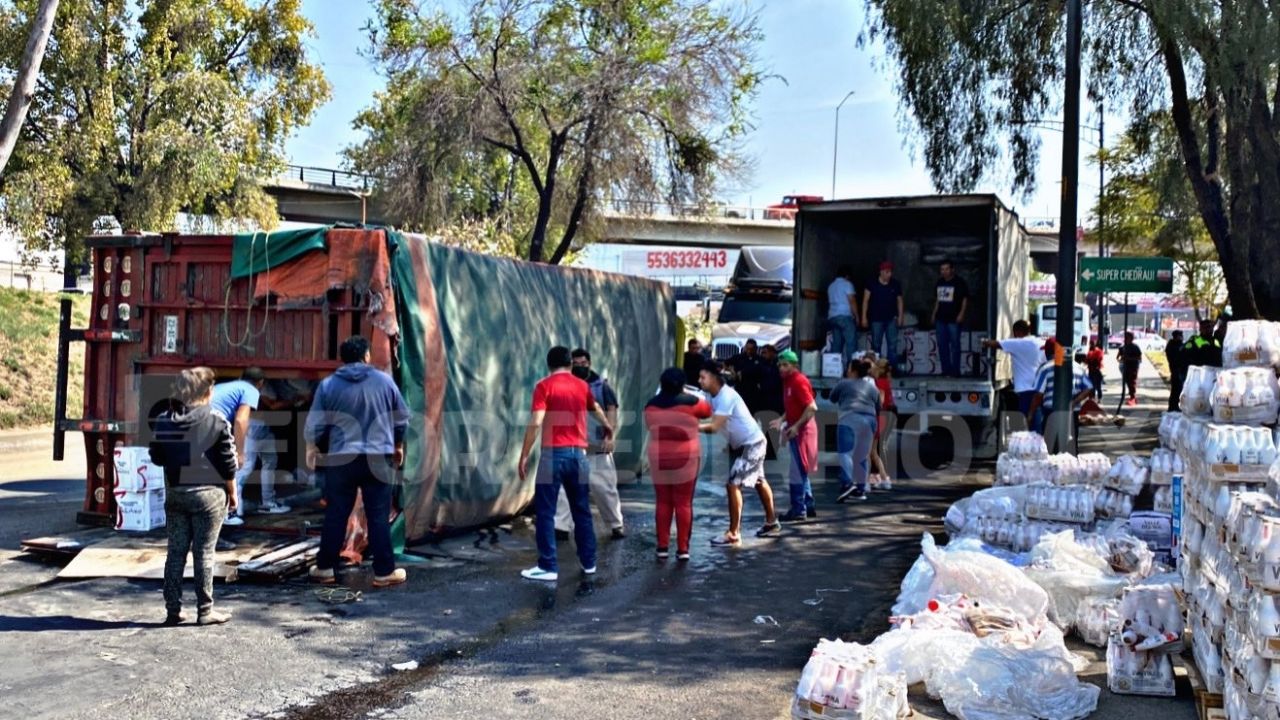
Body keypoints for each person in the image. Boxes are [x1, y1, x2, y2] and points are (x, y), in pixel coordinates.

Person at [305, 336, 410, 589]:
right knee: (377, 515)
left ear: (343, 359)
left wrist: (311, 447)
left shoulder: (328, 385)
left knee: (336, 514)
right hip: (378, 457)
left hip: (341, 459)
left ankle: (325, 568)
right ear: (366, 356)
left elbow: (315, 423)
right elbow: (401, 419)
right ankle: (384, 573)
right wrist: (397, 445)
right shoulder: (385, 381)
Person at [516, 346, 615, 581]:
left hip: (553, 455)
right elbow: (596, 408)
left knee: (546, 511)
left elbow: (536, 421)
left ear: (549, 365)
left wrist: (524, 454)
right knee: (582, 511)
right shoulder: (582, 386)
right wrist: (608, 426)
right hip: (579, 456)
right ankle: (589, 563)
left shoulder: (544, 386)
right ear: (570, 364)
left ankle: (548, 566)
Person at [149, 367, 239, 626]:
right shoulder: (217, 420)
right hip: (209, 497)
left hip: (176, 494)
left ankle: (173, 610)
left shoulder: (164, 419)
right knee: (204, 553)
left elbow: (156, 457)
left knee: (175, 553)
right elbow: (228, 464)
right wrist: (232, 493)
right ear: (208, 391)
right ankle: (205, 611)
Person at [698, 361, 780, 546]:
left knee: (733, 485)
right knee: (759, 481)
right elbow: (698, 402)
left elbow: (714, 426)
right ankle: (771, 522)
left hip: (752, 444)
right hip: (750, 443)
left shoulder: (726, 396)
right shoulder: (711, 395)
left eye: (703, 377)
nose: (700, 380)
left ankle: (733, 533)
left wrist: (692, 426)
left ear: (714, 378)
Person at [554, 349, 625, 541]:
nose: (580, 367)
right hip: (571, 447)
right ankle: (561, 526)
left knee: (604, 488)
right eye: (576, 364)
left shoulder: (601, 386)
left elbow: (611, 410)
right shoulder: (564, 385)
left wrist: (610, 437)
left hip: (597, 447)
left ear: (590, 363)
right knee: (564, 489)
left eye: (583, 363)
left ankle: (616, 524)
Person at [645, 367, 713, 561]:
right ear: (682, 384)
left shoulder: (650, 405)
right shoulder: (693, 403)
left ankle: (662, 547)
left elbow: (649, 426)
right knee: (683, 503)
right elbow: (708, 410)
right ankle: (683, 549)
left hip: (659, 456)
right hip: (686, 457)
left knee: (663, 501)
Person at [771, 350, 819, 522]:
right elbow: (794, 406)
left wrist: (797, 426)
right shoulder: (788, 381)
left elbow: (812, 407)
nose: (781, 368)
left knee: (797, 472)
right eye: (779, 365)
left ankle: (799, 509)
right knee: (800, 469)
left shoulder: (798, 381)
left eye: (785, 365)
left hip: (803, 431)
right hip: (796, 429)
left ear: (794, 365)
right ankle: (808, 505)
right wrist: (782, 419)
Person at [1026, 338, 1096, 451]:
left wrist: (1030, 414)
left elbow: (1038, 395)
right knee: (1071, 446)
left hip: (1051, 413)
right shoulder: (1078, 367)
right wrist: (1074, 402)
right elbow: (1089, 388)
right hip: (1072, 413)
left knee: (1050, 448)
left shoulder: (1045, 368)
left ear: (1048, 352)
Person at [830, 359, 881, 503]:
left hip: (850, 417)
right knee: (862, 456)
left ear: (852, 370)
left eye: (848, 368)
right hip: (870, 420)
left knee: (846, 453)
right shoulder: (871, 387)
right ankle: (860, 490)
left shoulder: (844, 383)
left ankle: (848, 484)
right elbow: (879, 405)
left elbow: (832, 398)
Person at [980, 320, 1044, 421]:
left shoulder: (1018, 343)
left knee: (1026, 420)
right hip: (1040, 389)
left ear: (1017, 332)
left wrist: (983, 341)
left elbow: (994, 344)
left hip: (1025, 389)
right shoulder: (1041, 343)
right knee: (1037, 419)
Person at [861, 261, 904, 368]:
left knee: (893, 345)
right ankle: (877, 369)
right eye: (887, 272)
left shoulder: (895, 284)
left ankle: (892, 369)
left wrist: (900, 316)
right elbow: (865, 300)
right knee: (876, 345)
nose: (889, 274)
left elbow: (900, 301)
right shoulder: (871, 283)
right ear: (881, 272)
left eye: (890, 272)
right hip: (876, 319)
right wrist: (864, 317)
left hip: (891, 319)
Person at [932, 260, 970, 377]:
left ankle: (955, 371)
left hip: (954, 318)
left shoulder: (959, 282)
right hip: (941, 318)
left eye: (946, 269)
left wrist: (961, 314)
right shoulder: (939, 282)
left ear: (952, 269)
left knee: (955, 345)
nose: (944, 271)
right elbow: (937, 300)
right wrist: (934, 314)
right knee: (942, 345)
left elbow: (965, 299)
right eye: (942, 269)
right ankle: (946, 370)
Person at [870, 359, 896, 489]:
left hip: (883, 414)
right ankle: (881, 475)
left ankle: (882, 475)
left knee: (877, 448)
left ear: (880, 369)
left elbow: (881, 401)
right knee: (879, 447)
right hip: (888, 413)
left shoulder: (880, 382)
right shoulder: (885, 380)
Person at [757, 344, 785, 461]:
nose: (763, 355)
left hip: (775, 401)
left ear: (772, 353)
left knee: (774, 427)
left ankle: (772, 451)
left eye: (766, 352)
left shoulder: (779, 365)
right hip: (765, 401)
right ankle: (767, 450)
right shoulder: (762, 364)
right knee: (765, 426)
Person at [827, 266, 859, 365]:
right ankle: (852, 367)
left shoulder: (831, 286)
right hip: (844, 317)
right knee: (851, 343)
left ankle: (834, 367)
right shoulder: (847, 284)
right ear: (847, 276)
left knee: (837, 344)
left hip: (832, 317)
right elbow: (852, 301)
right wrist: (857, 316)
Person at [727, 339, 765, 414]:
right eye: (747, 349)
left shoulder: (759, 359)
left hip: (753, 390)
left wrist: (742, 372)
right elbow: (725, 364)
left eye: (751, 349)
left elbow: (759, 370)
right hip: (740, 388)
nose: (749, 351)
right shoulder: (739, 357)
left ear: (755, 349)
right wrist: (732, 371)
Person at [1117, 331, 1143, 406]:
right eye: (1125, 337)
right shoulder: (1123, 347)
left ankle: (1133, 397)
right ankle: (1131, 395)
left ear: (1131, 338)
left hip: (1133, 367)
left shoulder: (1135, 347)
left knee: (1132, 381)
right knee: (1127, 381)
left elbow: (1139, 358)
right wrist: (1120, 359)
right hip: (1125, 366)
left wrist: (1129, 358)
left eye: (1127, 337)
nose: (1125, 339)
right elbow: (1119, 356)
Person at [1166, 330, 1187, 411]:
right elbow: (1176, 358)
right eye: (1180, 336)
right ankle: (1173, 407)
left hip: (1181, 370)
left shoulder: (1180, 345)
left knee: (1179, 390)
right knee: (1176, 390)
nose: (1181, 337)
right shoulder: (1172, 346)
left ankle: (1175, 406)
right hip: (1176, 370)